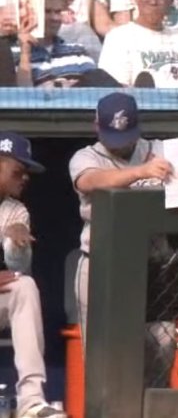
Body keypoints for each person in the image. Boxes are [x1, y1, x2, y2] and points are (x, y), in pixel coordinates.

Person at [70, 94, 178, 382]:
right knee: (102, 355)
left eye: (125, 135)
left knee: (163, 343)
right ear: (97, 126)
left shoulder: (160, 150)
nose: (121, 143)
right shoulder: (85, 156)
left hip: (152, 264)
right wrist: (140, 171)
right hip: (101, 264)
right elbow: (90, 181)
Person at [0, 134, 66, 418]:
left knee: (24, 285)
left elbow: (18, 266)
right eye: (18, 170)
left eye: (27, 172)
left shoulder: (15, 210)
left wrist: (16, 243)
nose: (24, 177)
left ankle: (31, 402)